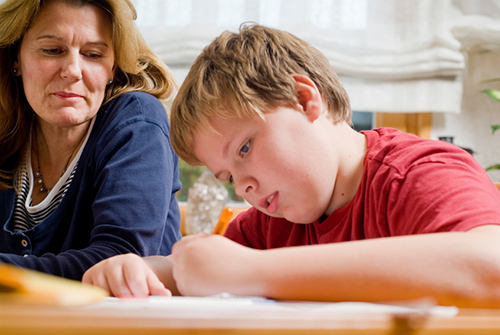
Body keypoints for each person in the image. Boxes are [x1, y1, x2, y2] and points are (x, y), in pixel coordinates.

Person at [83, 24, 500, 308]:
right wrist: (139, 270)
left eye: (244, 148)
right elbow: (206, 272)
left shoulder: (417, 174)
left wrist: (254, 271)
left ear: (305, 99)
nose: (243, 186)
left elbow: (491, 264)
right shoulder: (269, 223)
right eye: (227, 177)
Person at [0, 0, 182, 280]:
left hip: (122, 323)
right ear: (16, 58)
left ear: (113, 67)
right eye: (52, 50)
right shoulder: (8, 126)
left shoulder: (138, 121)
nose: (73, 70)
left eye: (94, 55)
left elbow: (118, 260)